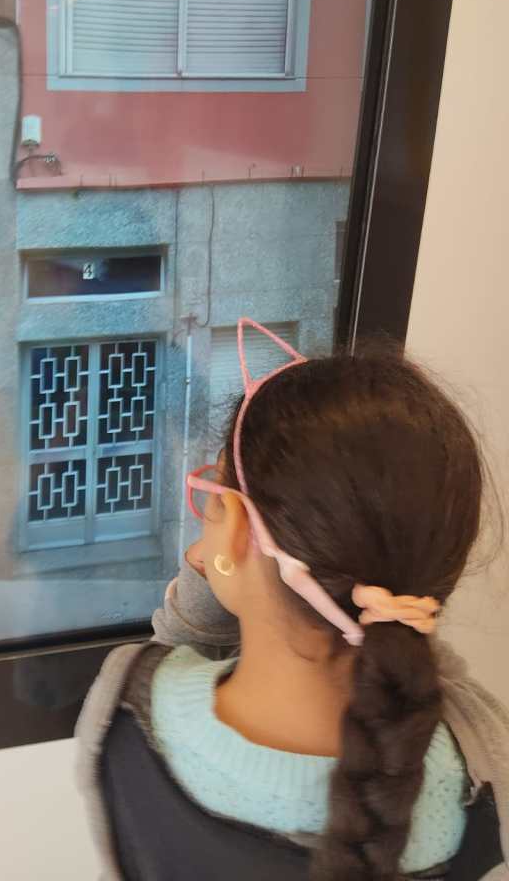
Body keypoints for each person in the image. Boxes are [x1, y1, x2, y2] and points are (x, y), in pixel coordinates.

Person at [77, 320, 509, 880]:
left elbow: (171, 651)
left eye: (212, 496)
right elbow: (424, 665)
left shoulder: (123, 712)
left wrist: (223, 565)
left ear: (236, 529)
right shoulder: (483, 762)